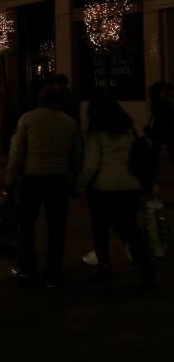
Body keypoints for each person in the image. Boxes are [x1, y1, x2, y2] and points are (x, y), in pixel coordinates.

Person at [6, 84, 82, 287]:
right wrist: (75, 181)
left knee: (27, 225)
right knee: (56, 226)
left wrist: (10, 180)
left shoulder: (27, 119)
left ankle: (27, 267)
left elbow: (16, 153)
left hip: (33, 178)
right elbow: (76, 156)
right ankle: (54, 271)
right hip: (58, 179)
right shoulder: (69, 122)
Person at [76, 95, 154, 288]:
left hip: (104, 188)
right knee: (131, 228)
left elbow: (91, 166)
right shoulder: (130, 130)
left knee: (100, 228)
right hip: (131, 185)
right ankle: (145, 266)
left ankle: (104, 266)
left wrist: (78, 186)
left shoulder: (96, 133)